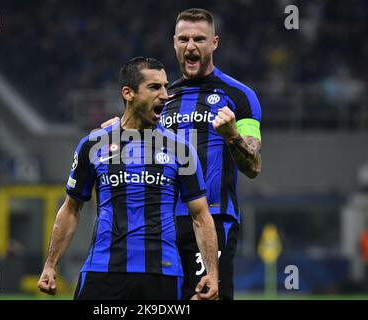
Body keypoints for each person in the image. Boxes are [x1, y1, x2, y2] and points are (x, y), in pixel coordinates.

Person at [102, 8, 262, 300]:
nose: (191, 46)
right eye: (184, 39)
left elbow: (253, 166)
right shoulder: (163, 97)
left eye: (199, 39)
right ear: (174, 43)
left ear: (214, 43)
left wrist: (233, 136)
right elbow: (138, 152)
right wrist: (118, 131)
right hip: (161, 226)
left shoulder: (240, 96)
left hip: (214, 219)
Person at [38, 57, 218, 300]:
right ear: (128, 93)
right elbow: (71, 209)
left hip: (161, 274)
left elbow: (201, 216)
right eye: (154, 87)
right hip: (103, 270)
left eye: (165, 86)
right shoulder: (93, 144)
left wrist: (212, 272)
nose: (164, 95)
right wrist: (50, 264)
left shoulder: (181, 149)